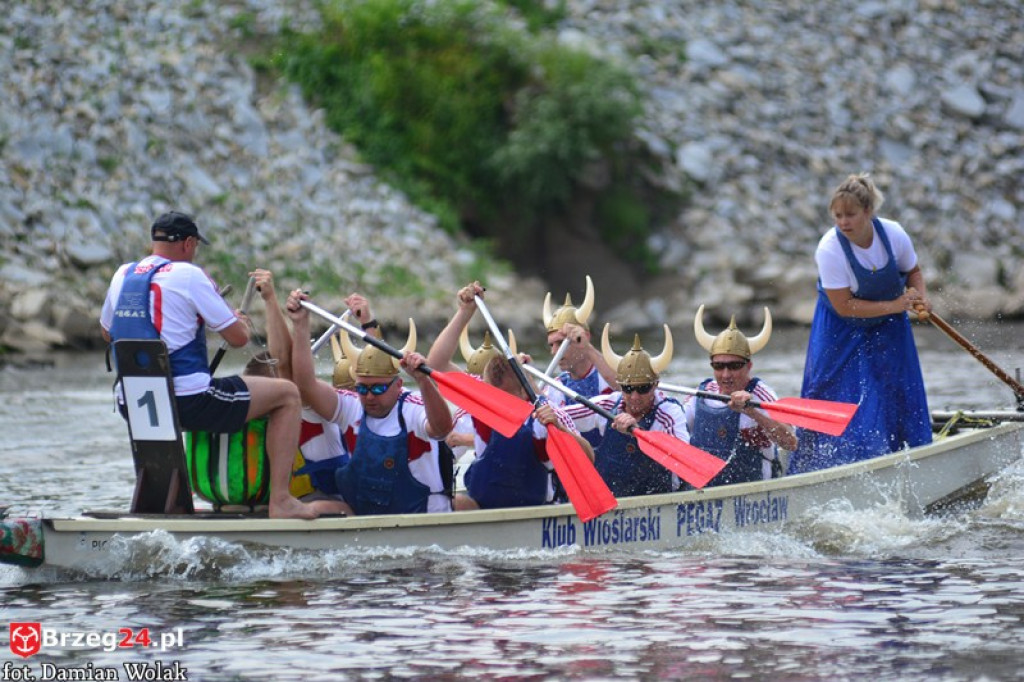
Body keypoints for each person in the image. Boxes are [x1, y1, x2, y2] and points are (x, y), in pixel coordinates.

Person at [99, 211, 316, 519]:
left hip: (131, 401)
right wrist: (237, 321)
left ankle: (164, 501)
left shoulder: (123, 274)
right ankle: (281, 500)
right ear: (188, 243)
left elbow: (108, 332)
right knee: (287, 394)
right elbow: (239, 338)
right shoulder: (190, 275)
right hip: (190, 401)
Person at [789, 173, 932, 473]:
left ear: (868, 211)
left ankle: (908, 456)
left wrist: (919, 296)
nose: (843, 222)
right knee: (833, 390)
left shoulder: (893, 234)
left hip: (889, 323)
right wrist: (895, 305)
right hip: (840, 327)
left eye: (850, 214)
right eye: (837, 215)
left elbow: (914, 272)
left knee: (895, 385)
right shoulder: (829, 248)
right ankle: (817, 467)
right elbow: (845, 306)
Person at [287, 289, 454, 516]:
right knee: (315, 508)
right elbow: (305, 386)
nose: (369, 396)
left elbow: (442, 429)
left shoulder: (413, 408)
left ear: (398, 384)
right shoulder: (351, 406)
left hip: (423, 517)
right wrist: (300, 325)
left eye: (378, 388)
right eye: (362, 388)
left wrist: (423, 381)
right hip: (371, 518)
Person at [427, 282, 592, 510]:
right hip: (484, 508)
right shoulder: (483, 399)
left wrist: (559, 429)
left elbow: (588, 460)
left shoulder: (548, 414)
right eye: (494, 399)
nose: (498, 407)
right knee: (453, 503)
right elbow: (436, 364)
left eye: (505, 400)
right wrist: (465, 311)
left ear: (524, 393)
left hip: (536, 511)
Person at [563, 325, 688, 497]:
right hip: (612, 502)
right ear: (620, 386)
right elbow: (561, 415)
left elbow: (683, 460)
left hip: (657, 500)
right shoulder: (607, 405)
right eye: (628, 388)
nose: (635, 396)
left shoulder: (670, 413)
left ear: (655, 385)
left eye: (643, 388)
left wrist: (639, 433)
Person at [688, 305, 797, 486]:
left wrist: (751, 412)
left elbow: (790, 442)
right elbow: (675, 435)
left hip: (755, 488)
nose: (726, 375)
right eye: (718, 366)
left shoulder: (762, 394)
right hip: (708, 487)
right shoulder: (701, 394)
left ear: (749, 366)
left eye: (734, 366)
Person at [540, 275, 618, 410]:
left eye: (561, 343)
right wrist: (522, 376)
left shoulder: (606, 376)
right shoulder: (556, 387)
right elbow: (537, 410)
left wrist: (587, 348)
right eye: (551, 345)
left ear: (585, 337)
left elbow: (626, 389)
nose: (554, 352)